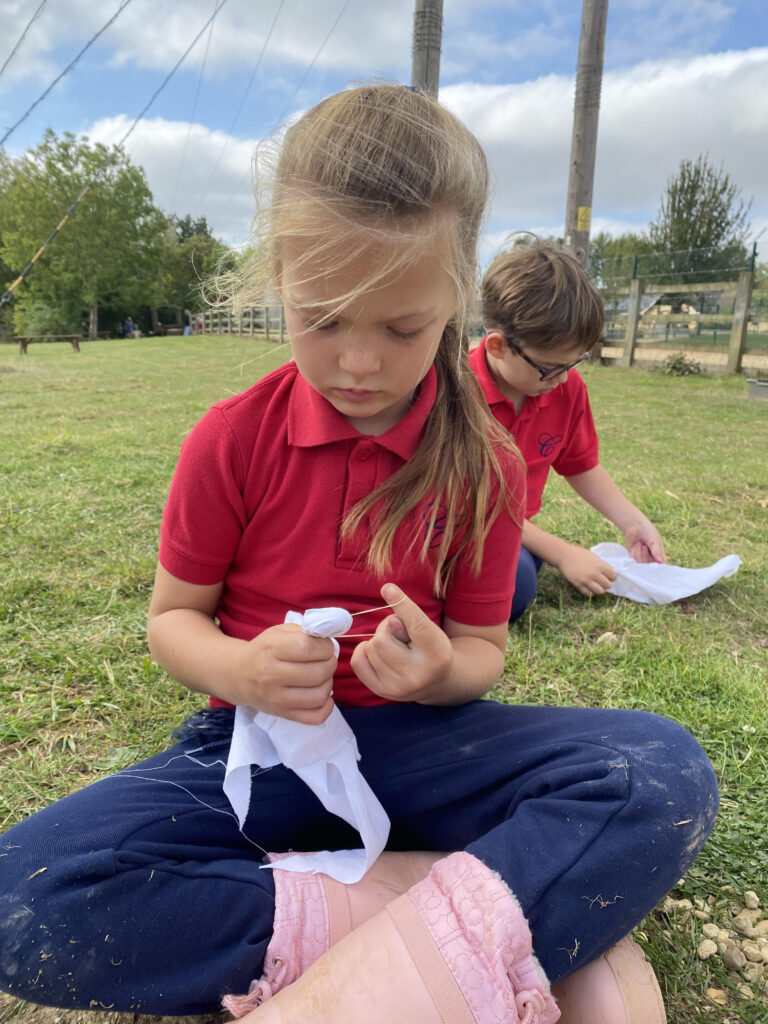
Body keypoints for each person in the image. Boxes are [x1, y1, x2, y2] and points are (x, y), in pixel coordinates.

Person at [0, 86, 716, 1024]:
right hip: (256, 752)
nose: (359, 363)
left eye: (402, 328)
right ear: (277, 284)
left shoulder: (488, 464)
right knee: (26, 895)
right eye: (324, 317)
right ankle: (446, 905)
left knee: (661, 771)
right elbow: (174, 621)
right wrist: (244, 671)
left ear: (458, 299)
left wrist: (436, 674)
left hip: (425, 751)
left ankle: (408, 934)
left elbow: (481, 654)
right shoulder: (229, 440)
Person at [471, 243, 667, 622]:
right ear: (497, 346)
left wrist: (633, 521)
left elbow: (579, 464)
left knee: (514, 579)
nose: (562, 378)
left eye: (573, 362)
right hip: (454, 528)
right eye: (549, 367)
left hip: (511, 536)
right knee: (509, 589)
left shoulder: (566, 388)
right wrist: (562, 553)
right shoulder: (458, 391)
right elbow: (477, 505)